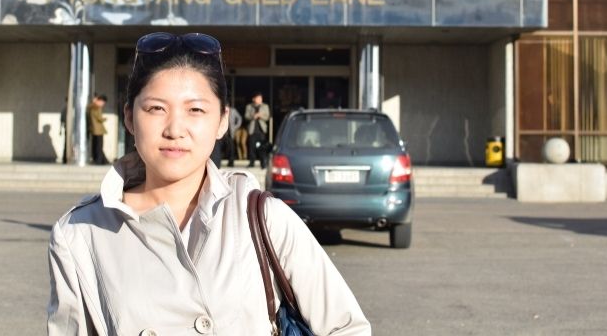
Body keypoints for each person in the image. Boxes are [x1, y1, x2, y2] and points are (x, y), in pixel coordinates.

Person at [47, 32, 370, 335]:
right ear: (130, 117)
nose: (175, 129)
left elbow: (346, 328)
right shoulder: (79, 234)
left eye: (196, 110)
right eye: (156, 108)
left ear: (222, 122)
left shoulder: (263, 217)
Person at [244, 92, 270, 169]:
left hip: (261, 131)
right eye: (258, 98)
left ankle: (263, 163)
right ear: (254, 99)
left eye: (260, 98)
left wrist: (260, 115)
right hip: (252, 130)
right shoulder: (249, 106)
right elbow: (246, 116)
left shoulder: (265, 106)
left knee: (261, 147)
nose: (260, 99)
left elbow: (267, 117)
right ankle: (252, 162)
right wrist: (253, 116)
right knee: (252, 147)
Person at [87, 94, 109, 165]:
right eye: (103, 103)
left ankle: (103, 160)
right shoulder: (97, 108)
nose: (103, 104)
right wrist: (104, 119)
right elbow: (99, 118)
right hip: (98, 130)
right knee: (99, 146)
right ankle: (99, 160)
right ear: (99, 101)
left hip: (93, 129)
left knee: (95, 146)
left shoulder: (90, 107)